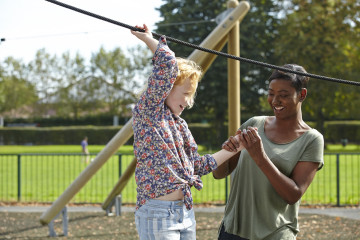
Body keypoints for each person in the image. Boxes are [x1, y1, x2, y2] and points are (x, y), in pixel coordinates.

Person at [131, 24, 243, 240]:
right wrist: (148, 39)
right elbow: (168, 64)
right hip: (157, 213)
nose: (189, 102)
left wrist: (236, 147)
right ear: (167, 87)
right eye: (186, 94)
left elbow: (197, 166)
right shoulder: (148, 113)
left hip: (185, 211)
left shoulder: (180, 125)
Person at [213, 64, 324, 240]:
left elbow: (293, 194)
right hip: (233, 230)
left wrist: (260, 157)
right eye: (271, 93)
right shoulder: (254, 124)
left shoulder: (311, 139)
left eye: (283, 95)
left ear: (302, 95)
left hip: (275, 234)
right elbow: (219, 173)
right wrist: (226, 152)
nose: (275, 101)